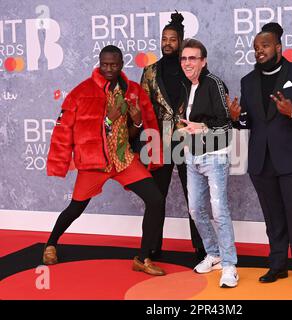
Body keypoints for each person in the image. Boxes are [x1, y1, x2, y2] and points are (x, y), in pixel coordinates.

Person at [43, 45, 167, 276]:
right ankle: (51, 243)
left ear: (121, 64)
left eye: (114, 64)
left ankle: (142, 258)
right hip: (95, 163)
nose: (109, 69)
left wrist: (138, 122)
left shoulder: (133, 92)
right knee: (76, 207)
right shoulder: (82, 92)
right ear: (99, 63)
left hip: (123, 159)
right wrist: (107, 120)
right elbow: (64, 130)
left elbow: (141, 128)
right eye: (104, 64)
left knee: (156, 199)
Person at [228, 22, 292, 287]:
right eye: (256, 47)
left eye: (265, 46)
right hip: (262, 162)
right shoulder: (248, 81)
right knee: (273, 218)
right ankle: (278, 265)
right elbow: (250, 121)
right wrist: (238, 118)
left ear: (279, 48)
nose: (259, 51)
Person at [140, 11, 205, 260]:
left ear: (180, 41)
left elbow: (202, 101)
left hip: (188, 139)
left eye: (172, 39)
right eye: (164, 39)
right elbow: (144, 108)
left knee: (194, 194)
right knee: (157, 196)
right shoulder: (149, 72)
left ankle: (201, 246)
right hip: (160, 141)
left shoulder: (191, 68)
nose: (167, 43)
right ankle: (152, 246)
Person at [178, 38, 238, 288]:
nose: (188, 63)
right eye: (184, 58)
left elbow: (227, 124)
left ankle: (229, 265)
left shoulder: (214, 84)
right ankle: (212, 253)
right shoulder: (185, 85)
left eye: (193, 58)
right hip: (192, 155)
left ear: (204, 61)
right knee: (195, 209)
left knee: (219, 211)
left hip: (214, 155)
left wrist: (202, 126)